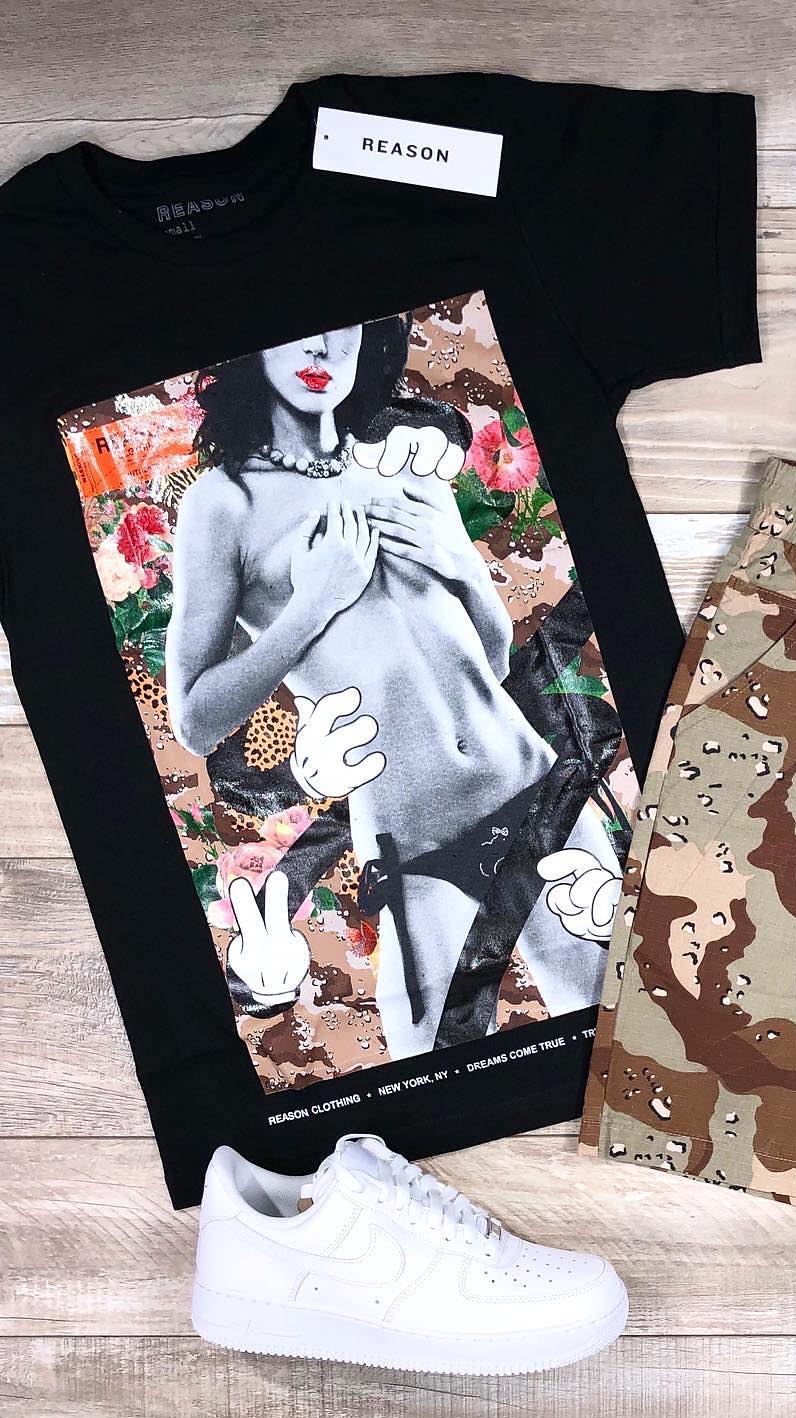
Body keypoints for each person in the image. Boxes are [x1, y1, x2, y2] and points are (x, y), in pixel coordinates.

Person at [165, 318, 620, 1058]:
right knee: (433, 1074)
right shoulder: (226, 502)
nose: (320, 349)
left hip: (535, 789)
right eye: (294, 333)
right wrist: (312, 605)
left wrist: (461, 562)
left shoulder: (397, 462)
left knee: (632, 1038)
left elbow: (492, 653)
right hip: (417, 842)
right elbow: (193, 718)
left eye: (339, 330)